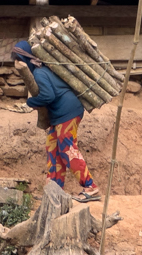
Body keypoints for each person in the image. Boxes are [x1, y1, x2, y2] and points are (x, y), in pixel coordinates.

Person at [12, 41, 101, 203]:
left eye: (18, 60)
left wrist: (30, 103)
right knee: (53, 148)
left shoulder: (39, 73)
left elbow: (48, 96)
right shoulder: (41, 72)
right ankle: (55, 190)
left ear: (26, 59)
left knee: (67, 149)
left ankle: (90, 187)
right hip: (60, 116)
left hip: (68, 113)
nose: (16, 65)